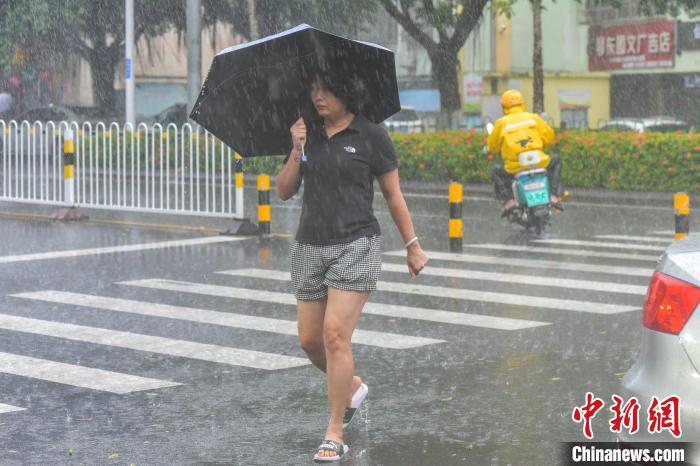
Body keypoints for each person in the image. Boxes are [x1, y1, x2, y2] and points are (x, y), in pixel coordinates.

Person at [276, 74, 429, 462]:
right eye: (313, 90)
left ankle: (334, 431)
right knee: (310, 341)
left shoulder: (372, 136)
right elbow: (284, 189)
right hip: (310, 245)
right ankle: (353, 385)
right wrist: (296, 149)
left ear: (350, 91)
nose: (319, 96)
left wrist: (412, 246)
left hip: (356, 244)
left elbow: (393, 195)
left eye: (327, 89)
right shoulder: (306, 132)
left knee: (334, 336)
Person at [487, 89, 563, 215]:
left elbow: (493, 148)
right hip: (539, 162)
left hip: (515, 167)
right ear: (522, 103)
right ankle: (554, 195)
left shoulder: (501, 123)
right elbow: (549, 137)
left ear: (504, 106)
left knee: (495, 171)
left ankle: (508, 201)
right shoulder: (533, 118)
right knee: (557, 160)